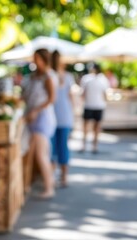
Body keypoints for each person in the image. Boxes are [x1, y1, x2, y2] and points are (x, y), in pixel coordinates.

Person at [22, 49, 57, 199]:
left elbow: (51, 99)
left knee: (41, 154)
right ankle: (45, 183)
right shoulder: (34, 76)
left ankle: (49, 187)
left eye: (37, 59)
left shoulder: (48, 76)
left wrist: (36, 110)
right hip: (33, 117)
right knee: (36, 153)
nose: (35, 62)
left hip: (42, 118)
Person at [50, 51, 75, 188]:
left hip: (52, 116)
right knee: (62, 147)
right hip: (63, 116)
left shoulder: (49, 76)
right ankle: (63, 177)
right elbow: (70, 98)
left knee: (53, 149)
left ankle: (53, 178)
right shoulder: (66, 77)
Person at [80, 63, 109, 154]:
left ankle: (92, 146)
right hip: (92, 105)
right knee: (91, 127)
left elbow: (83, 94)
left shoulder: (102, 79)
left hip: (95, 105)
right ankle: (88, 146)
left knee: (94, 127)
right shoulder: (88, 79)